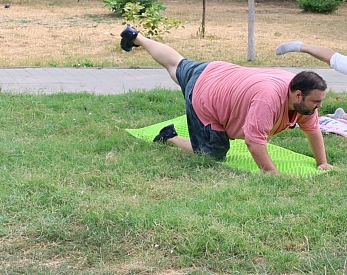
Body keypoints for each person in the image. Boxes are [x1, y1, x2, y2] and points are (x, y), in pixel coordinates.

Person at [118, 26, 331, 173]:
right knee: (212, 153)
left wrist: (322, 163)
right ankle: (170, 136)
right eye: (316, 102)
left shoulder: (302, 95)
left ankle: (136, 37)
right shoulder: (269, 100)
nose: (319, 106)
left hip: (216, 70)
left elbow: (313, 130)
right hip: (205, 97)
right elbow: (254, 143)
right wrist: (273, 174)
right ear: (297, 95)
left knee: (177, 64)